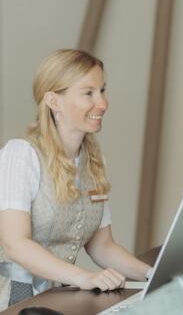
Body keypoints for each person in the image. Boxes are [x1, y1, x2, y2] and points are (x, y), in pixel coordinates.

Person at [0, 49, 151, 309]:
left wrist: (154, 274)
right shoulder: (21, 154)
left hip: (57, 298)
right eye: (88, 93)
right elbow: (15, 244)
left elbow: (102, 246)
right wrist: (84, 277)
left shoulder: (94, 160)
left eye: (102, 91)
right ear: (53, 101)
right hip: (13, 298)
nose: (102, 103)